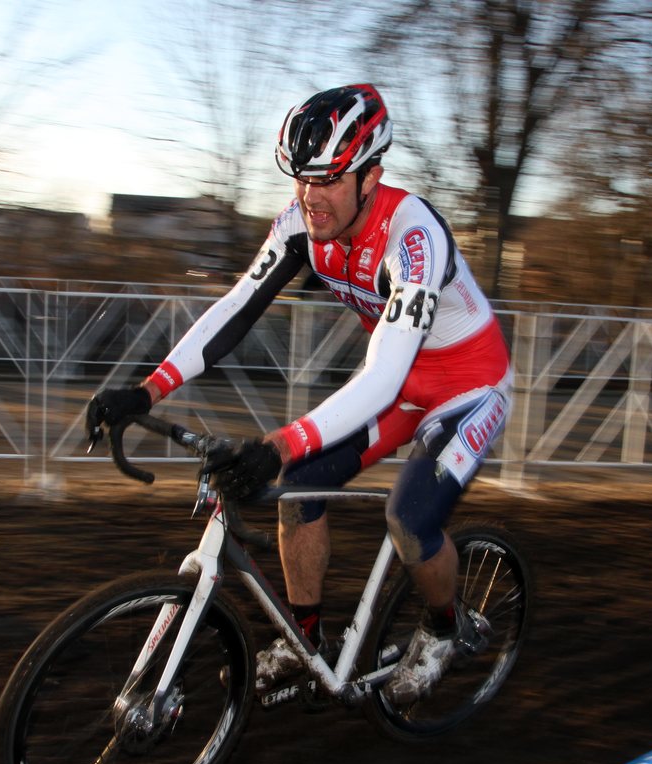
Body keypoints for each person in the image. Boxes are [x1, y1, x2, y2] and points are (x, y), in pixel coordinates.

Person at [88, 83, 512, 705]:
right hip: (398, 387)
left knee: (410, 517)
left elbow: (383, 375)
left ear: (371, 176)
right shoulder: (301, 226)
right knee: (296, 490)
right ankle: (303, 639)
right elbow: (235, 310)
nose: (311, 198)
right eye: (300, 180)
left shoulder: (413, 236)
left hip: (468, 388)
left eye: (329, 180)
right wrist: (147, 391)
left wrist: (280, 443)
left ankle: (443, 629)